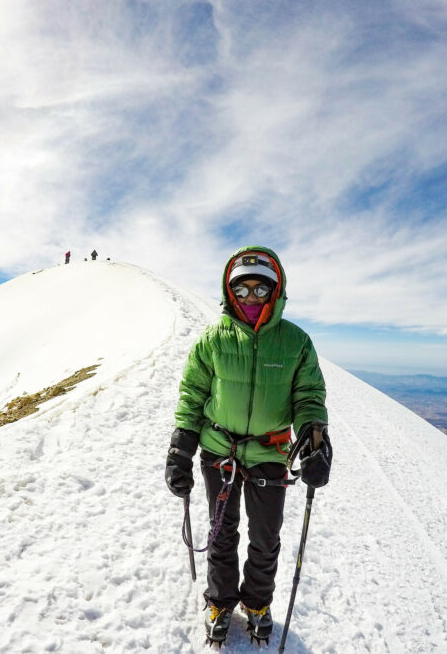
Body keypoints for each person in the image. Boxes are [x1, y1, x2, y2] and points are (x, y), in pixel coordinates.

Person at [166, 246, 332, 646]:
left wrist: (315, 440)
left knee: (266, 536)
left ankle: (257, 602)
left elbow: (309, 394)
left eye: (261, 290)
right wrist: (180, 449)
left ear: (276, 292)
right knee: (222, 532)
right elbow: (192, 395)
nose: (252, 298)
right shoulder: (212, 339)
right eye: (242, 290)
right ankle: (220, 601)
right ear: (229, 291)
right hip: (219, 450)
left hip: (270, 453)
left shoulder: (296, 342)